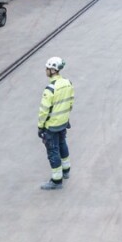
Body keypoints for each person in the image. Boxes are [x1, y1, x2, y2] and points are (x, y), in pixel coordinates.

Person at [38, 56, 74, 190]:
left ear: (52, 70)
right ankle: (66, 171)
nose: (46, 70)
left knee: (53, 151)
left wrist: (40, 126)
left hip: (51, 125)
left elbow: (43, 111)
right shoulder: (68, 82)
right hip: (63, 122)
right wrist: (66, 118)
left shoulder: (50, 89)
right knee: (62, 144)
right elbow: (70, 102)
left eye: (47, 68)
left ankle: (56, 181)